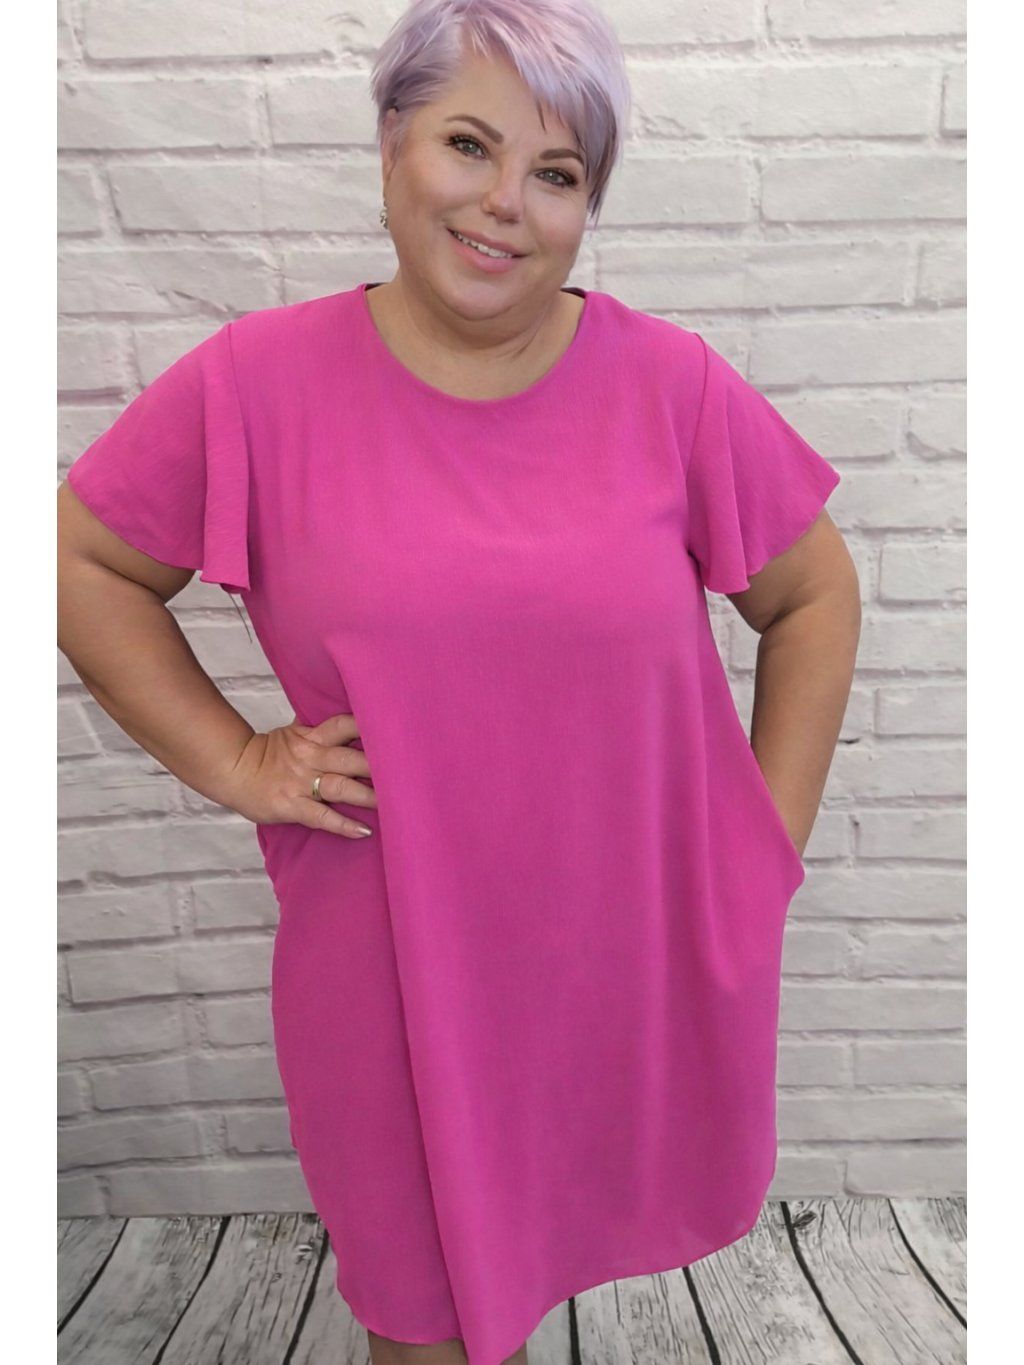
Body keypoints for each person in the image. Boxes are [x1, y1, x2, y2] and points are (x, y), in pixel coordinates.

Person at [56, 1, 862, 1363]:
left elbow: (814, 595)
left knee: (561, 1255)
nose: (504, 204)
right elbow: (80, 558)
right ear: (391, 145)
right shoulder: (257, 384)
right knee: (427, 1315)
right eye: (468, 145)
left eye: (555, 172)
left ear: (587, 206)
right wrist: (239, 760)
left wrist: (757, 848)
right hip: (388, 973)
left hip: (615, 963)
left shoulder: (670, 387)